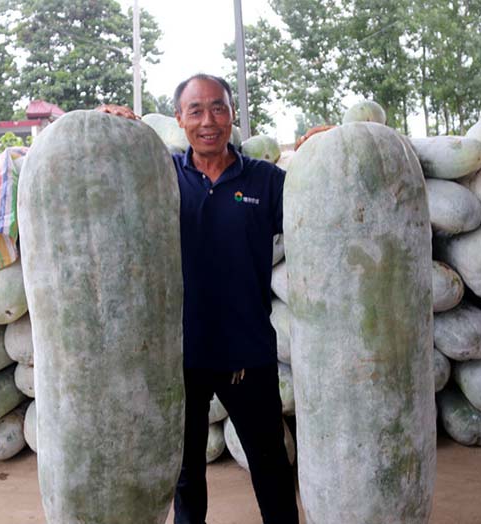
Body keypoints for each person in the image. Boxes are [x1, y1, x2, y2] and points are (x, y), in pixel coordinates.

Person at [98, 74, 299, 524]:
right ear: (179, 119)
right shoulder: (162, 176)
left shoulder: (266, 181)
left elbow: (317, 207)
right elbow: (102, 183)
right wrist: (103, 127)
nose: (209, 121)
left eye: (219, 108)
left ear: (233, 115)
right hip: (178, 356)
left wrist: (321, 149)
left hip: (248, 352)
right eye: (196, 110)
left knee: (270, 464)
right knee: (185, 474)